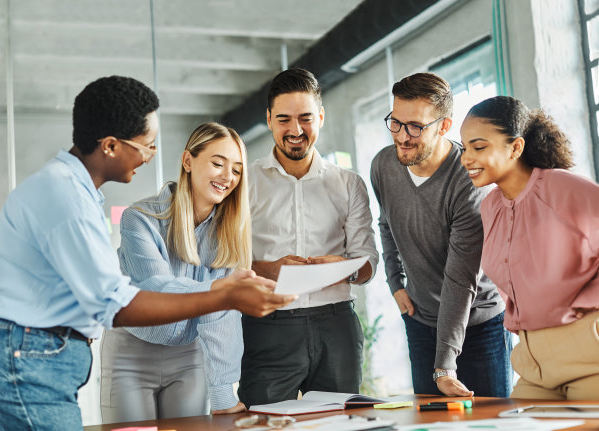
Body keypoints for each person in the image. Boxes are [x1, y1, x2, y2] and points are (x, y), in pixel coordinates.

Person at [0, 76, 295, 431]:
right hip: (29, 359)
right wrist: (222, 294)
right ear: (110, 146)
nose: (149, 157)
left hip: (40, 356)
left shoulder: (74, 193)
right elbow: (116, 303)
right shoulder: (69, 197)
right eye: (147, 146)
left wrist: (223, 379)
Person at [237, 68, 379, 407]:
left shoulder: (348, 183)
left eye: (305, 118)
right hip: (268, 325)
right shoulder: (244, 182)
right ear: (269, 120)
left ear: (321, 117)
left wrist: (343, 267)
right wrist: (269, 269)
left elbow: (369, 262)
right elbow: (224, 258)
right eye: (284, 119)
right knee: (263, 423)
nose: (295, 130)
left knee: (339, 424)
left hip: (337, 327)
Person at [370, 73, 512, 398]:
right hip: (421, 320)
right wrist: (395, 282)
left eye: (415, 127)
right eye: (395, 122)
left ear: (444, 126)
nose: (402, 137)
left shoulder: (469, 182)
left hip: (479, 323)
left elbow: (460, 279)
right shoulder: (383, 165)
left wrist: (445, 365)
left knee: (490, 422)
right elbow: (386, 223)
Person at [100, 122, 251, 422]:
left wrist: (222, 394)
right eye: (218, 163)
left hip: (189, 357)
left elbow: (220, 315)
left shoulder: (230, 232)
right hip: (131, 353)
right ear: (188, 161)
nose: (227, 176)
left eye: (236, 170)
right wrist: (222, 292)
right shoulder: (139, 219)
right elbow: (158, 288)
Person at [460, 95, 599, 400]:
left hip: (589, 357)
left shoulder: (564, 188)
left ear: (516, 147)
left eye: (479, 147)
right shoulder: (491, 207)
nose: (466, 158)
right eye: (465, 147)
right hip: (532, 364)